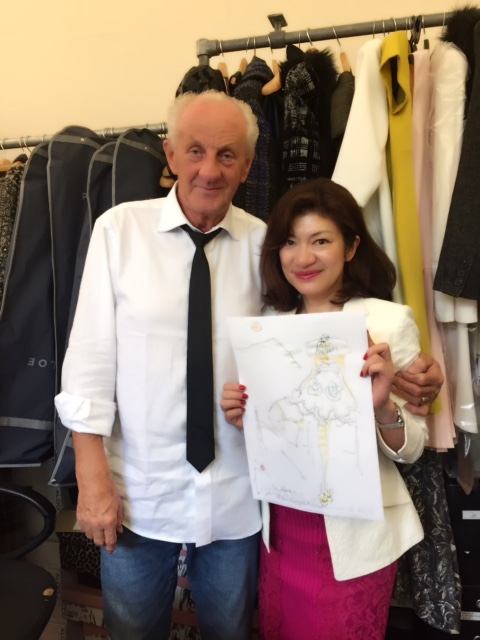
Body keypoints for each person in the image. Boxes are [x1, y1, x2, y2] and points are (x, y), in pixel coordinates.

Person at [54, 90, 441, 640]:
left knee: (232, 631)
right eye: (195, 151)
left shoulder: (270, 247)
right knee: (133, 630)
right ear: (170, 154)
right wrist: (91, 480)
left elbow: (316, 333)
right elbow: (89, 362)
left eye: (227, 155)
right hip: (139, 491)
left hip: (240, 499)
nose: (210, 170)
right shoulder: (119, 232)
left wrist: (412, 373)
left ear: (248, 165)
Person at [221, 177, 429, 640]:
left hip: (354, 535)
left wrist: (381, 407)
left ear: (351, 247)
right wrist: (242, 414)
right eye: (290, 242)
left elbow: (413, 448)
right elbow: (279, 425)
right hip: (282, 527)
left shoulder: (388, 321)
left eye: (321, 241)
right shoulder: (269, 325)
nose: (303, 257)